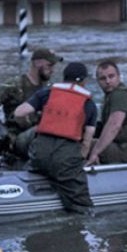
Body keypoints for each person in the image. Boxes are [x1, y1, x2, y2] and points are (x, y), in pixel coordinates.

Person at [12, 61, 98, 212]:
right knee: (82, 206)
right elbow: (87, 140)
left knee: (33, 167)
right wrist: (81, 160)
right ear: (83, 81)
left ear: (64, 78)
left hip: (40, 152)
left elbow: (19, 112)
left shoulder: (46, 92)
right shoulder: (89, 103)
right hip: (65, 157)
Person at [0, 47, 62, 156]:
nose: (53, 70)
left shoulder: (49, 88)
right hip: (17, 138)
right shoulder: (14, 84)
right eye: (50, 65)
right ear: (37, 63)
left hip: (41, 137)